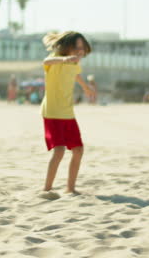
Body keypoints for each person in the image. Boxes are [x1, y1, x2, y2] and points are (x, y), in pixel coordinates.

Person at [40, 31, 95, 195]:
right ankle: (47, 189)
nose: (80, 51)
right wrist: (64, 59)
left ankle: (70, 188)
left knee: (78, 149)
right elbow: (46, 61)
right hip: (52, 111)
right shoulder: (55, 58)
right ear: (67, 46)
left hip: (67, 112)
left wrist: (85, 87)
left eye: (82, 48)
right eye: (77, 47)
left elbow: (76, 74)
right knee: (59, 151)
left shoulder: (74, 64)